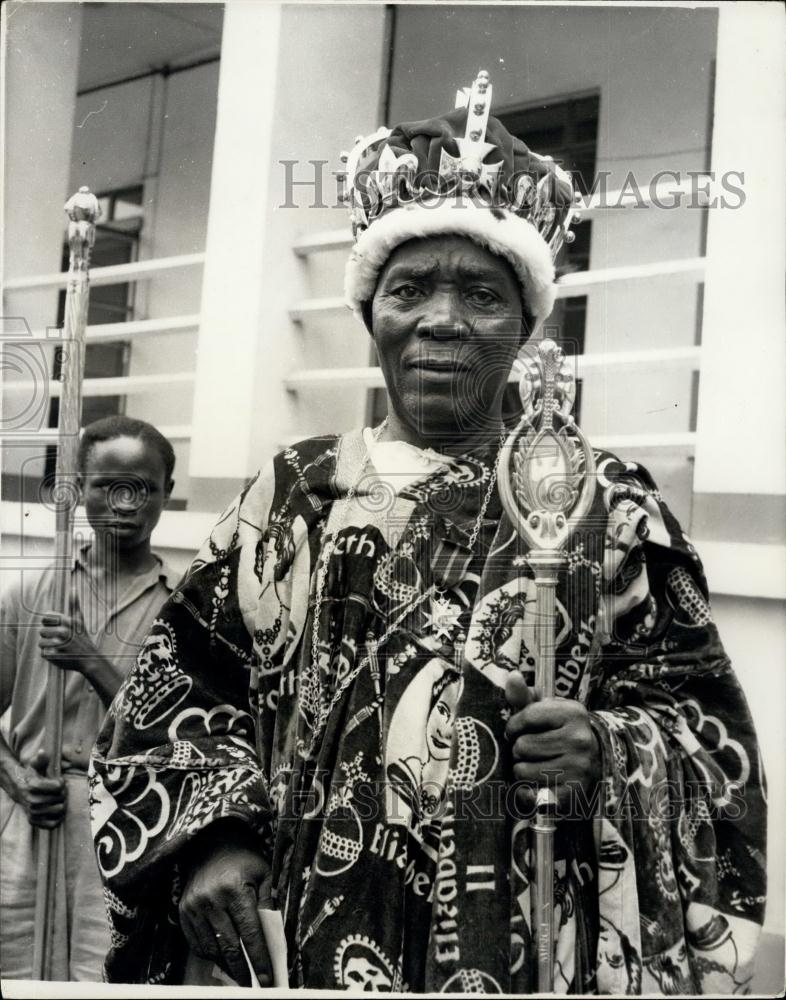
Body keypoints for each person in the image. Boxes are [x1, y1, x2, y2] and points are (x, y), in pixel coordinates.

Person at [89, 73, 766, 994]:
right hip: (313, 942)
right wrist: (215, 835)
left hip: (526, 943)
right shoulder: (294, 495)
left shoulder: (608, 506)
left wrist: (605, 751)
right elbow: (177, 697)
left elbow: (706, 740)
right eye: (410, 288)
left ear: (528, 323)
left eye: (482, 295)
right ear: (371, 312)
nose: (442, 320)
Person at [0, 416, 178, 981]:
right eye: (107, 486)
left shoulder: (185, 610)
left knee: (102, 979)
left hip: (129, 830)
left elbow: (172, 731)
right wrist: (17, 782)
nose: (125, 502)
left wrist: (88, 659)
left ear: (166, 495)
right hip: (31, 815)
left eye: (142, 488)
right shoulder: (33, 593)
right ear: (78, 490)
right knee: (18, 973)